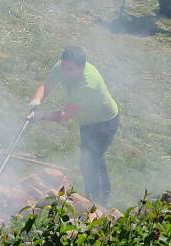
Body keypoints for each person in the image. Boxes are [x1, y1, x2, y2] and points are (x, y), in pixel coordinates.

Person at [29, 46, 120, 203]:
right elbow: (46, 86)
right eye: (63, 67)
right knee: (95, 156)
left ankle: (94, 201)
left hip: (104, 122)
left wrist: (41, 115)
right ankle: (104, 194)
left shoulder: (87, 84)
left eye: (70, 69)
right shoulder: (63, 66)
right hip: (87, 121)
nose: (64, 72)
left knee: (88, 162)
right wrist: (37, 100)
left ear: (81, 68)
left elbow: (65, 115)